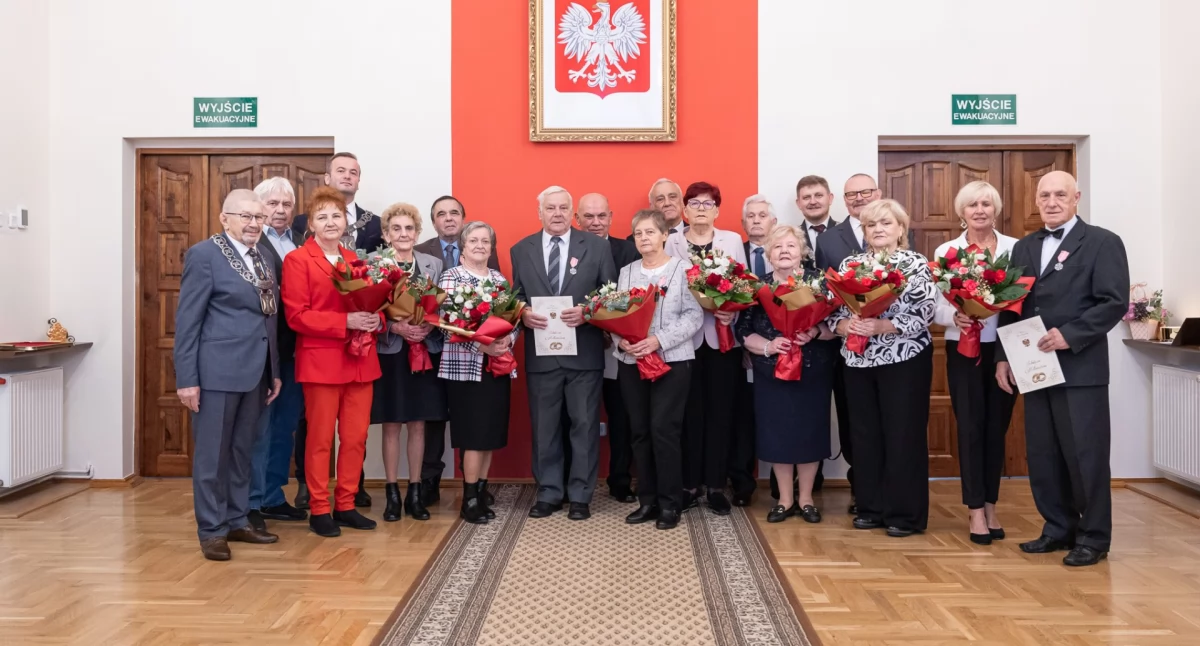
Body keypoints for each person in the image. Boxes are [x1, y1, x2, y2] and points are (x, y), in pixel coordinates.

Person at [995, 171, 1129, 567]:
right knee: (1044, 453)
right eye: (1045, 195)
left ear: (1076, 198)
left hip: (1079, 368)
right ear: (1036, 201)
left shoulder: (1103, 242)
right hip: (1033, 367)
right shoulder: (1024, 247)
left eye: (1060, 195)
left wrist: (1070, 335)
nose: (1051, 202)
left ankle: (1093, 537)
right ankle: (1056, 528)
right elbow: (1011, 305)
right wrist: (1004, 357)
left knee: (1084, 455)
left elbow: (1113, 301)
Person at [174, 188, 282, 561]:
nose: (254, 224)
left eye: (259, 217)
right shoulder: (204, 255)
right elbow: (188, 321)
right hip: (216, 373)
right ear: (225, 219)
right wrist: (186, 378)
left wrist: (275, 370)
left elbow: (270, 318)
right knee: (212, 456)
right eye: (246, 216)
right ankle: (212, 530)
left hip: (257, 372)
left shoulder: (264, 256)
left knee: (242, 452)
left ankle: (237, 520)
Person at [828, 199, 937, 538]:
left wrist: (881, 327)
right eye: (871, 224)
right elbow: (831, 309)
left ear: (901, 229)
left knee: (902, 434)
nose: (878, 229)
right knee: (863, 435)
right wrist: (845, 326)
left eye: (886, 223)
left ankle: (904, 514)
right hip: (858, 360)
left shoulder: (916, 264)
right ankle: (870, 507)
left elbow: (925, 312)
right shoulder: (850, 264)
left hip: (904, 360)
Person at [511, 186, 617, 521]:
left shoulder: (598, 248)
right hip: (541, 353)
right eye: (550, 208)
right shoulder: (520, 249)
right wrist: (523, 313)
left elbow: (610, 295)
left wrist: (588, 313)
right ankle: (549, 492)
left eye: (563, 208)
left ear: (572, 214)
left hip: (584, 350)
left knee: (584, 424)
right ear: (538, 212)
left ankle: (581, 495)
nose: (556, 214)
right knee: (544, 426)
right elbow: (515, 295)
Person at [281, 186, 381, 537]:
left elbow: (370, 304)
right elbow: (297, 316)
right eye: (321, 216)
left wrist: (374, 320)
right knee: (321, 438)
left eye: (336, 215)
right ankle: (319, 508)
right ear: (311, 223)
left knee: (355, 439)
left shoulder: (355, 260)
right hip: (322, 362)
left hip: (360, 360)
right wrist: (346, 323)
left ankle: (347, 504)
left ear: (346, 221)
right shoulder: (297, 260)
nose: (330, 222)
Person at [932, 181, 1019, 544]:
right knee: (969, 428)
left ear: (995, 209)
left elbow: (1022, 302)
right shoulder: (947, 250)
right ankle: (975, 511)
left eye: (986, 203)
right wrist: (955, 318)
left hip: (1006, 352)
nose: (980, 210)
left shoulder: (1016, 249)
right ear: (961, 211)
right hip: (962, 350)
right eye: (972, 205)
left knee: (996, 429)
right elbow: (935, 306)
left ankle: (991, 502)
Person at [737, 225, 838, 524]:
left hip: (813, 371)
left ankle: (806, 499)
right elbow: (743, 331)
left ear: (802, 252)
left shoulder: (820, 284)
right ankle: (784, 499)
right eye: (778, 246)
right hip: (772, 373)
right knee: (777, 434)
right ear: (768, 253)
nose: (784, 251)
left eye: (791, 246)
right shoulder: (757, 288)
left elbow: (838, 326)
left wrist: (815, 331)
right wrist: (769, 345)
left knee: (809, 433)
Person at [614, 209, 703, 530]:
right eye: (638, 233)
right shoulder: (626, 272)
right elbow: (614, 312)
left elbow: (694, 317)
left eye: (650, 232)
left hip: (672, 361)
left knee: (664, 431)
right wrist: (620, 341)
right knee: (639, 432)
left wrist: (658, 340)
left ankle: (670, 503)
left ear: (665, 235)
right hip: (631, 362)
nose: (644, 239)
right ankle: (647, 500)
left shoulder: (684, 269)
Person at [665, 181, 747, 515]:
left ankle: (715, 485)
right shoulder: (671, 242)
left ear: (717, 209)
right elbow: (664, 287)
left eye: (708, 203)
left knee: (720, 412)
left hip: (720, 338)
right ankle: (688, 484)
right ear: (684, 210)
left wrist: (732, 309)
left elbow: (743, 284)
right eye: (694, 202)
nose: (701, 208)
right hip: (682, 341)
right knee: (686, 413)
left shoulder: (732, 241)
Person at [413, 195, 500, 505]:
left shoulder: (496, 273)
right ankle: (435, 484)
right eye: (441, 214)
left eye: (484, 241)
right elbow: (440, 312)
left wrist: (502, 341)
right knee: (444, 422)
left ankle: (476, 489)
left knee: (482, 427)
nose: (479, 245)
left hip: (489, 362)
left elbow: (506, 315)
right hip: (443, 354)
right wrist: (482, 342)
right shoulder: (432, 262)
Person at [438, 221, 519, 524]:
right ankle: (469, 498)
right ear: (462, 244)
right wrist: (481, 348)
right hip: (465, 368)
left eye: (486, 241)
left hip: (496, 366)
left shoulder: (499, 280)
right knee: (472, 434)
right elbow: (446, 327)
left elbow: (513, 318)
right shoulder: (451, 278)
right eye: (474, 240)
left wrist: (510, 338)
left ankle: (482, 491)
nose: (480, 246)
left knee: (489, 432)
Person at [371, 203, 445, 522]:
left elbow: (443, 306)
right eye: (396, 229)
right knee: (391, 424)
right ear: (386, 234)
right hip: (391, 352)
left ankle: (415, 492)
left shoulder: (433, 264)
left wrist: (429, 324)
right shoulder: (374, 265)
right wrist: (394, 326)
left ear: (418, 232)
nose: (403, 234)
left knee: (418, 424)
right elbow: (368, 311)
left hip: (423, 351)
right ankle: (391, 493)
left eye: (409, 228)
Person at [814, 173, 881, 514]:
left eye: (864, 192)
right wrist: (841, 325)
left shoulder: (897, 228)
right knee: (854, 417)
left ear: (878, 193)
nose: (858, 198)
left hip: (888, 343)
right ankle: (861, 487)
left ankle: (889, 485)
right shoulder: (829, 239)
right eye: (851, 194)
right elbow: (826, 292)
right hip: (846, 347)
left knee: (887, 418)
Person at [248, 178, 308, 528]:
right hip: (263, 354)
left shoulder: (300, 241)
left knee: (285, 426)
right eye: (272, 204)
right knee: (260, 429)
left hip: (295, 352)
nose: (280, 211)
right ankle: (253, 501)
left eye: (287, 205)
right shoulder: (253, 243)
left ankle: (272, 496)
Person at [575, 192, 640, 503]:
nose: (595, 222)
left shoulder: (627, 249)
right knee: (577, 417)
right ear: (578, 219)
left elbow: (634, 298)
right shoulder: (568, 248)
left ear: (611, 218)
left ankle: (620, 480)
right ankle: (569, 483)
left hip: (618, 348)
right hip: (575, 347)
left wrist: (611, 332)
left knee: (621, 416)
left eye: (601, 216)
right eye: (588, 216)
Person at [732, 195, 779, 506]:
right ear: (743, 223)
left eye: (763, 215)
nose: (757, 220)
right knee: (742, 419)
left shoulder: (785, 256)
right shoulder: (733, 258)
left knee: (780, 415)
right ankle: (742, 484)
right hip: (738, 349)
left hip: (782, 353)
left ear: (773, 222)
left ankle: (783, 488)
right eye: (751, 216)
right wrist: (745, 343)